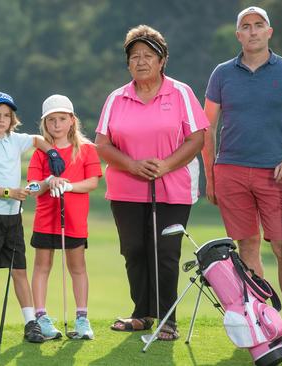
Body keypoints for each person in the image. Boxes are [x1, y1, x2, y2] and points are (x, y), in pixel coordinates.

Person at [201, 6, 282, 354]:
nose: (253, 31)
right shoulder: (222, 74)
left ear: (269, 32)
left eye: (259, 26)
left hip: (275, 173)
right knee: (248, 247)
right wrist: (210, 176)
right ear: (238, 35)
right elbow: (208, 127)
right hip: (231, 172)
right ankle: (267, 325)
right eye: (246, 27)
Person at [95, 25, 208, 340]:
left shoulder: (181, 92)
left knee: (165, 250)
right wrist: (131, 164)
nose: (141, 61)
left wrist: (166, 165)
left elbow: (197, 138)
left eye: (148, 56)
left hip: (172, 188)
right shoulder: (117, 97)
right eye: (134, 56)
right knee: (134, 249)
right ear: (128, 63)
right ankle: (143, 314)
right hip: (126, 188)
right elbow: (102, 145)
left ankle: (167, 318)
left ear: (162, 60)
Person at [0, 92, 65, 344]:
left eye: (7, 116)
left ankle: (30, 322)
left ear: (12, 119)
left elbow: (35, 139)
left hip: (13, 217)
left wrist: (52, 153)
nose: (1, 120)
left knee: (19, 270)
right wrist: (9, 192)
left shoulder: (14, 140)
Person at [27, 94, 102, 340]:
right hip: (46, 218)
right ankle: (41, 318)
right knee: (42, 266)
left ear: (72, 120)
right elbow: (32, 188)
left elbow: (92, 182)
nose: (56, 124)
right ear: (44, 124)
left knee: (77, 267)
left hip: (74, 219)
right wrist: (48, 181)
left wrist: (69, 186)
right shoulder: (40, 152)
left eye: (61, 119)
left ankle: (82, 318)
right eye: (51, 120)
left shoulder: (87, 149)